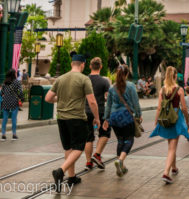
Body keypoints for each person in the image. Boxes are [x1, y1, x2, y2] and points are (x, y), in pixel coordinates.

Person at [45, 55, 101, 192]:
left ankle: (72, 177)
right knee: (78, 148)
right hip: (76, 118)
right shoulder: (84, 79)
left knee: (68, 148)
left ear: (71, 64)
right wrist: (97, 118)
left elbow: (48, 98)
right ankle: (61, 171)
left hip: (61, 118)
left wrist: (61, 99)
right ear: (82, 64)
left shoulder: (61, 78)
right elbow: (92, 101)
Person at [150, 66, 189, 184]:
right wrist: (187, 122)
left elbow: (158, 107)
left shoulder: (162, 89)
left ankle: (174, 168)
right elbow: (184, 108)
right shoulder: (179, 89)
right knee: (172, 147)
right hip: (176, 119)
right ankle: (166, 173)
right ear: (175, 76)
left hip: (166, 118)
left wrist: (156, 121)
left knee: (171, 146)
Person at [104, 65, 141, 178]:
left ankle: (122, 165)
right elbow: (135, 102)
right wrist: (139, 115)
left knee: (120, 140)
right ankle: (120, 161)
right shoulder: (130, 86)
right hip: (126, 116)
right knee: (129, 139)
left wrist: (106, 118)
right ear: (126, 74)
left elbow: (108, 105)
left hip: (114, 117)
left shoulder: (112, 88)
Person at [84, 57, 111, 170]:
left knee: (88, 138)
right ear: (101, 67)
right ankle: (97, 154)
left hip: (85, 111)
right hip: (100, 110)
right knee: (105, 133)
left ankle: (89, 162)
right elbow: (108, 97)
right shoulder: (104, 81)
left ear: (90, 66)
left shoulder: (84, 79)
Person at [0, 69, 24, 141]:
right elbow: (20, 92)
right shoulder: (17, 82)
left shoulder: (5, 83)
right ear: (14, 74)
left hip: (6, 102)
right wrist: (21, 99)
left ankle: (3, 135)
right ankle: (14, 135)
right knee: (14, 119)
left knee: (5, 119)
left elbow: (1, 93)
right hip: (14, 102)